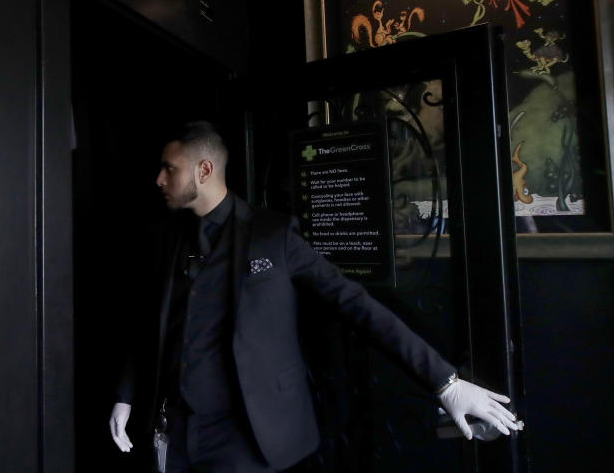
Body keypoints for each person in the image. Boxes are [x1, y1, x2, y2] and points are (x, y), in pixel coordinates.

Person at [109, 121, 521, 472]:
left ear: (204, 169)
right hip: (174, 432)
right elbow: (150, 322)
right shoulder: (166, 238)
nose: (159, 179)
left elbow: (354, 304)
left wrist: (444, 381)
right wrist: (127, 395)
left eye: (169, 168)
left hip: (246, 438)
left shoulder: (272, 234)